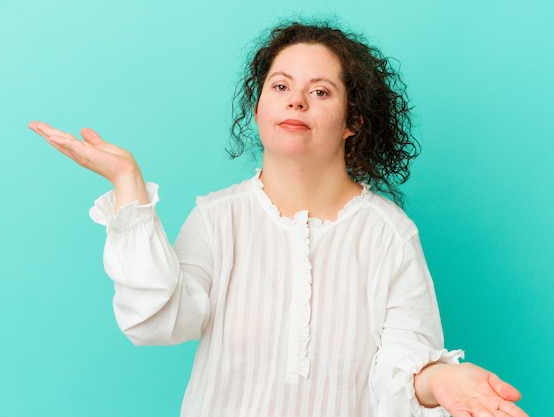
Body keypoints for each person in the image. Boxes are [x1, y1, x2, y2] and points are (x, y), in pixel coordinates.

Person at [29, 21, 528, 417]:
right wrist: (128, 185)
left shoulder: (389, 234)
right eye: (281, 85)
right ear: (258, 107)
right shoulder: (217, 219)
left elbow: (400, 366)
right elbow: (159, 319)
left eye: (322, 92)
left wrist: (441, 379)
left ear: (354, 120)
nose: (296, 100)